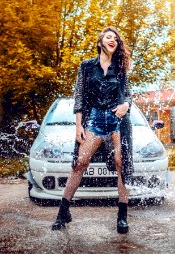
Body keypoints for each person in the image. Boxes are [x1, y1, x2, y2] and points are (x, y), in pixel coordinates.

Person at [52, 26, 134, 234]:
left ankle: (122, 216)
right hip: (95, 119)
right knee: (80, 163)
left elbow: (128, 95)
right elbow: (79, 96)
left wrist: (126, 106)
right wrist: (79, 125)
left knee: (121, 163)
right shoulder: (87, 66)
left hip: (117, 120)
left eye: (115, 38)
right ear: (100, 42)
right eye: (108, 37)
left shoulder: (121, 67)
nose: (113, 39)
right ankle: (63, 212)